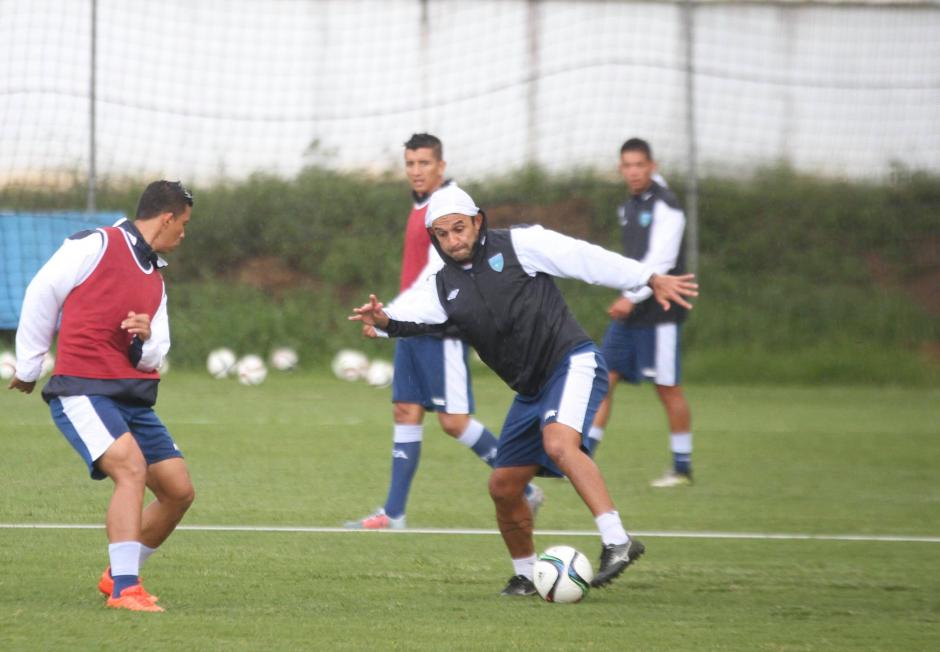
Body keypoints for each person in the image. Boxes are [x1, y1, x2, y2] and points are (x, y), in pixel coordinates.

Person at [349, 184, 697, 595]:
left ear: (478, 220)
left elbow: (585, 258)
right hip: (530, 392)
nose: (453, 240)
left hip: (571, 363)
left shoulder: (520, 244)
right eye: (442, 234)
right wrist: (383, 319)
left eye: (459, 228)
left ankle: (617, 540)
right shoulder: (442, 285)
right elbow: (408, 316)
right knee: (503, 487)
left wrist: (647, 278)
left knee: (559, 443)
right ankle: (527, 575)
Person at [8, 180, 196, 612]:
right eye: (183, 224)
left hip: (132, 396)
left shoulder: (156, 279)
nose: (184, 233)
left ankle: (117, 571)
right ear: (166, 218)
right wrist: (31, 366)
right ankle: (125, 589)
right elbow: (42, 291)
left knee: (178, 491)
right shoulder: (94, 244)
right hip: (82, 390)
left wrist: (145, 337)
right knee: (130, 468)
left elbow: (154, 357)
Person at [345, 134, 543, 530]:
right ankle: (394, 513)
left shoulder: (450, 210)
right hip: (411, 327)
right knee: (405, 411)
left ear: (441, 166)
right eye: (410, 164)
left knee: (454, 421)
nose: (416, 171)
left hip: (441, 328)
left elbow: (438, 276)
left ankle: (524, 488)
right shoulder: (420, 207)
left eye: (424, 163)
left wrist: (390, 319)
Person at [587, 138, 695, 488]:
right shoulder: (630, 205)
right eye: (627, 165)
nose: (633, 171)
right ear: (621, 169)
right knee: (604, 378)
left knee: (667, 388)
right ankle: (582, 455)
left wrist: (630, 298)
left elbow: (660, 263)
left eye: (639, 165)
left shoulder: (668, 208)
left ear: (653, 166)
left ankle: (681, 467)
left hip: (659, 312)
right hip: (632, 310)